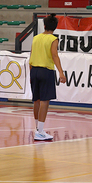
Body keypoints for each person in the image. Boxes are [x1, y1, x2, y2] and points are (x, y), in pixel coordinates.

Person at [28, 13, 66, 141]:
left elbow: (31, 55)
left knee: (36, 100)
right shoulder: (53, 39)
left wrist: (31, 72)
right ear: (55, 27)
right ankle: (40, 131)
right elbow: (54, 55)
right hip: (46, 71)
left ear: (44, 26)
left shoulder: (36, 38)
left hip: (34, 70)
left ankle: (37, 128)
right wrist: (61, 72)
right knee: (45, 101)